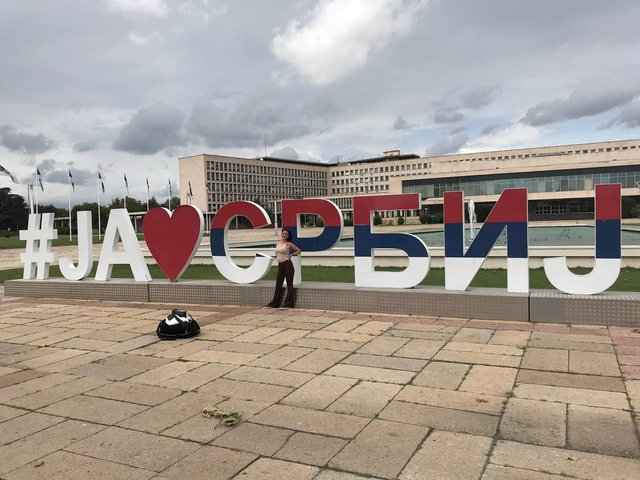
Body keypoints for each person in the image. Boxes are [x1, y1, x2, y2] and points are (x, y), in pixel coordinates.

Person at [267, 228, 301, 308]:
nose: (284, 235)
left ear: (288, 236)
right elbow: (277, 253)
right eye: (283, 233)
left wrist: (291, 255)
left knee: (289, 284)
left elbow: (299, 250)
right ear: (281, 234)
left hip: (288, 265)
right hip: (280, 265)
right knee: (278, 284)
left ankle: (288, 303)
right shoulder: (277, 243)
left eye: (286, 234)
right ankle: (275, 303)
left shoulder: (289, 244)